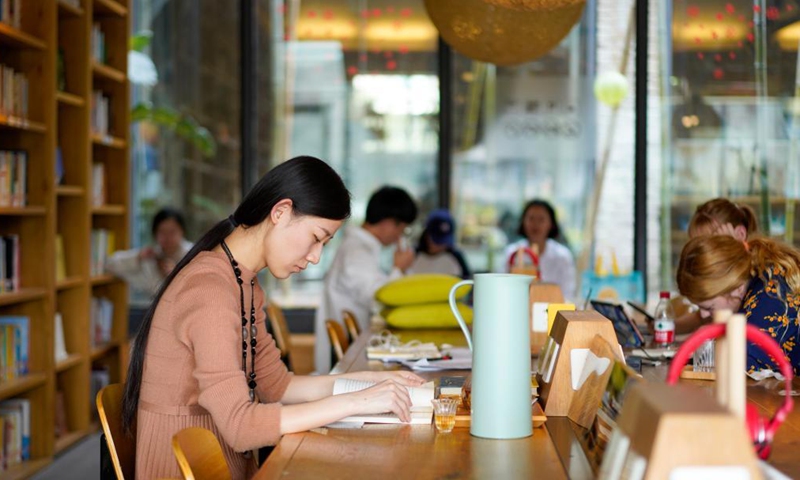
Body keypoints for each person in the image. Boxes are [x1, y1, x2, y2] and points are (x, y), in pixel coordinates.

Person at [122, 158, 425, 480]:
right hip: (184, 470)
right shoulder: (210, 289)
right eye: (316, 237)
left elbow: (278, 386)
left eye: (324, 244)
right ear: (280, 212)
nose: (315, 257)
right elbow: (241, 426)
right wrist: (356, 402)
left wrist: (373, 381)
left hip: (223, 463)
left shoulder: (243, 283)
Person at [314, 186, 418, 373]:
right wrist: (398, 269)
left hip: (353, 352)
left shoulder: (361, 247)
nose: (400, 236)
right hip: (347, 363)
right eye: (402, 229)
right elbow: (377, 297)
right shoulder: (357, 251)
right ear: (388, 222)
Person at [676, 235, 800, 376]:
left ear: (737, 288)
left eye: (709, 307)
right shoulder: (759, 280)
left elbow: (742, 361)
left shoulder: (771, 293)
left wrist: (710, 342)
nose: (703, 315)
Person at [671, 198, 760, 333]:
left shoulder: (761, 286)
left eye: (712, 245)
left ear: (740, 235)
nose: (702, 255)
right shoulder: (717, 303)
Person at [106, 207, 193, 302]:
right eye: (162, 232)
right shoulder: (152, 256)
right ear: (155, 234)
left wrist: (177, 275)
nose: (167, 237)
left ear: (182, 231)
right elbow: (110, 263)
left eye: (172, 232)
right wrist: (139, 257)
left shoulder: (192, 254)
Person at [503, 199, 576, 301]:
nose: (535, 224)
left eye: (541, 219)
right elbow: (502, 289)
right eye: (531, 218)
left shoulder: (563, 256)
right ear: (523, 221)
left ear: (551, 224)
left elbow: (568, 294)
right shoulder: (512, 253)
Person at [411, 209, 471, 279]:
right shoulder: (414, 255)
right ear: (427, 235)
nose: (441, 245)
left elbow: (467, 281)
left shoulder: (456, 258)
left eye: (444, 241)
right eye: (437, 240)